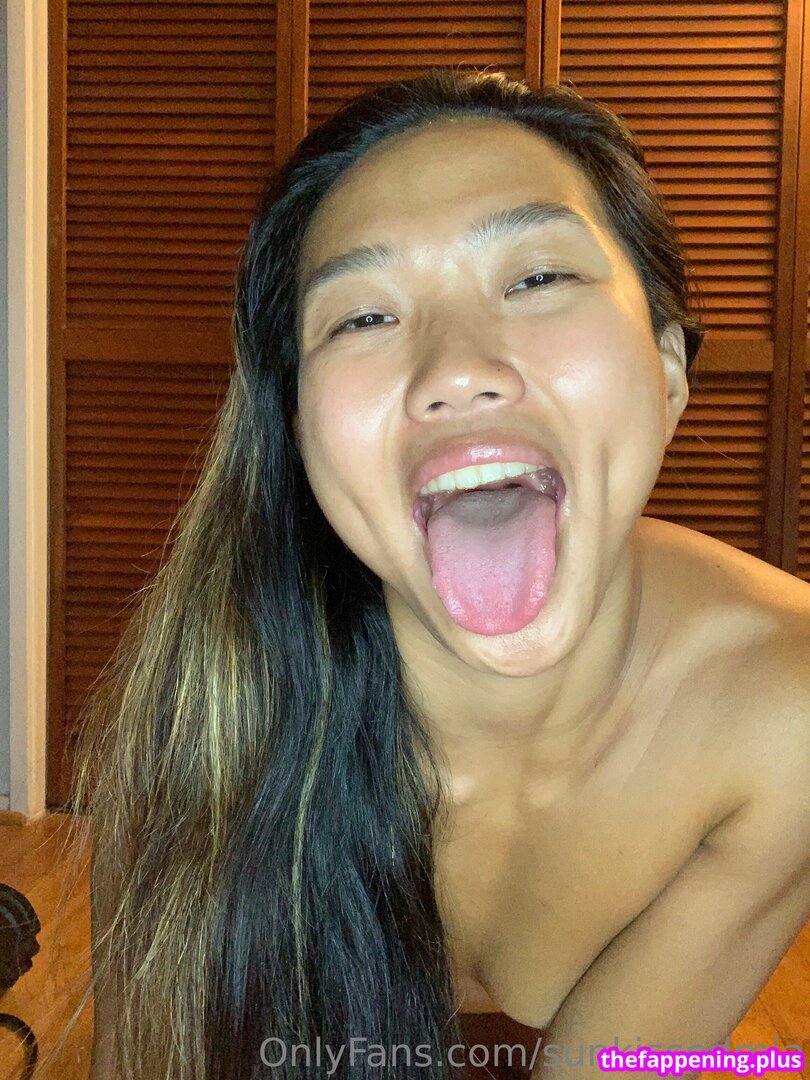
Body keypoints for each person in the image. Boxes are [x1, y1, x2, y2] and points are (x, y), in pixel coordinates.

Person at [53, 68, 809, 1080]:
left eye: (539, 278)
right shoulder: (210, 703)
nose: (456, 368)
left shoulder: (788, 714)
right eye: (362, 317)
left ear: (668, 368)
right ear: (298, 429)